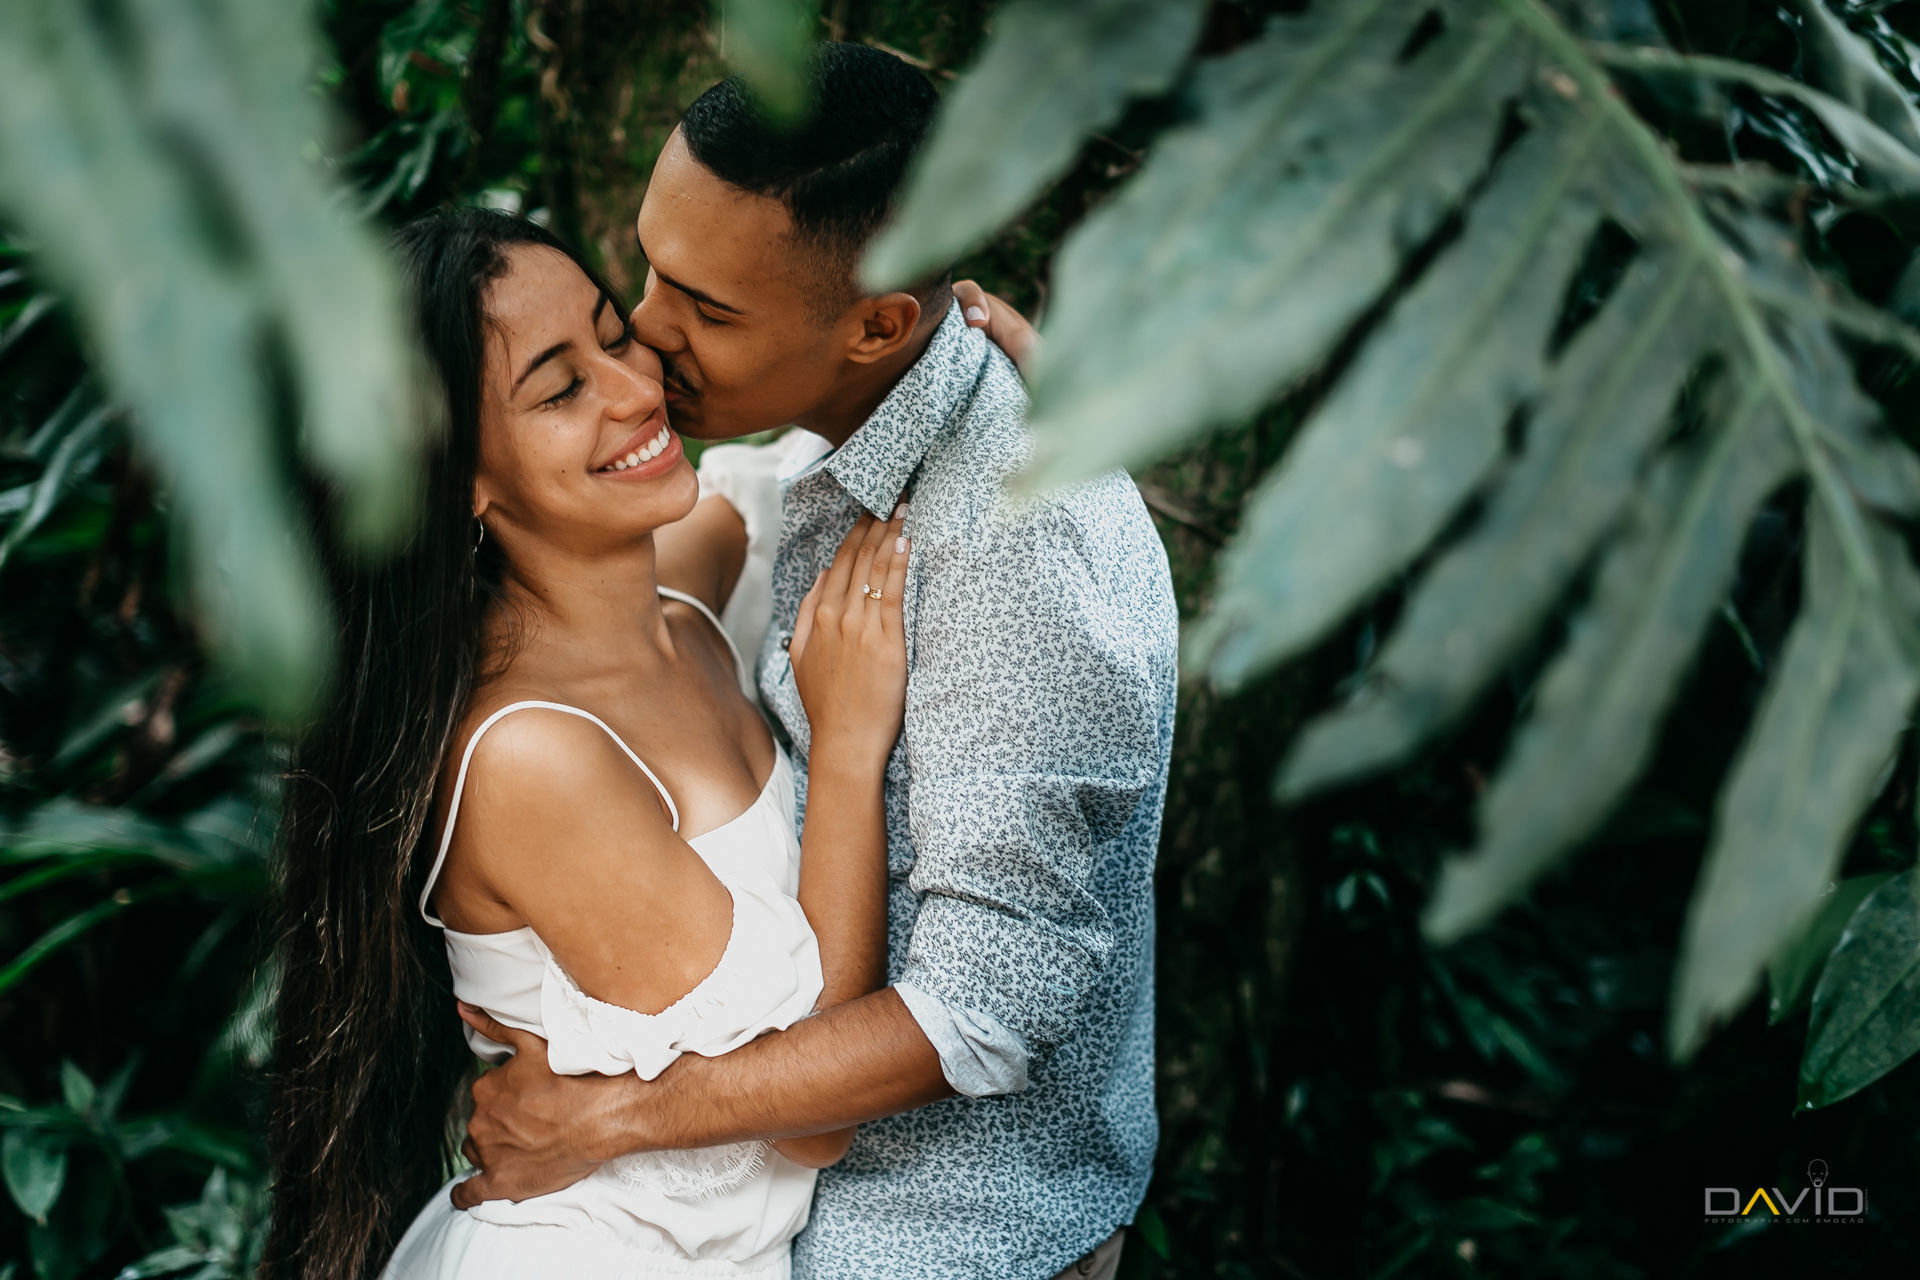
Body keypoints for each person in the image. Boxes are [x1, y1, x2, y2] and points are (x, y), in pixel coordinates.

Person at [451, 43, 1180, 1280]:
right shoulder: (841, 435)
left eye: (708, 309)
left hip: (941, 1244)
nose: (649, 338)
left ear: (879, 325)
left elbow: (975, 1016)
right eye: (651, 273)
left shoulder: (1016, 553)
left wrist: (609, 1113)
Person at [263, 207, 920, 1280]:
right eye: (561, 389)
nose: (635, 390)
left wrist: (979, 360)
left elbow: (780, 471)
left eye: (615, 336)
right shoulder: (532, 759)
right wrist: (847, 753)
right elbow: (814, 1118)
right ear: (458, 481)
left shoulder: (679, 599)